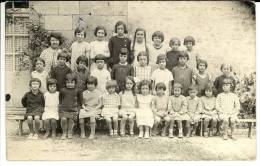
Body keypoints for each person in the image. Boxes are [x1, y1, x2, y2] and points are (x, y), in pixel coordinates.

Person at [59, 73, 83, 139]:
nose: (70, 84)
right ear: (65, 82)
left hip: (73, 109)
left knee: (71, 120)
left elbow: (80, 101)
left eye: (72, 82)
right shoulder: (62, 90)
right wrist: (60, 107)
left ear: (75, 83)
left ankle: (69, 132)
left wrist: (78, 108)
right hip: (64, 109)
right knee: (63, 119)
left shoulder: (77, 90)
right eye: (68, 82)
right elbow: (60, 99)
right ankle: (64, 133)